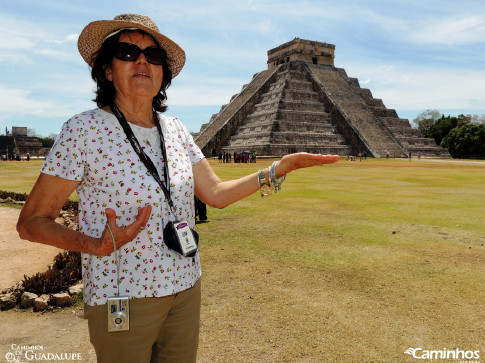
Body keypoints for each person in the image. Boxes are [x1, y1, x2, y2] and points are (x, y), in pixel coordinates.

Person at [16, 13, 340, 363]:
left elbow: (215, 193)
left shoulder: (175, 129)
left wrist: (277, 169)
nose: (142, 61)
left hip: (186, 286)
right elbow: (31, 221)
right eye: (127, 52)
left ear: (163, 73)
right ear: (107, 69)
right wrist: (92, 244)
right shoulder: (84, 130)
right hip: (123, 295)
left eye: (153, 56)